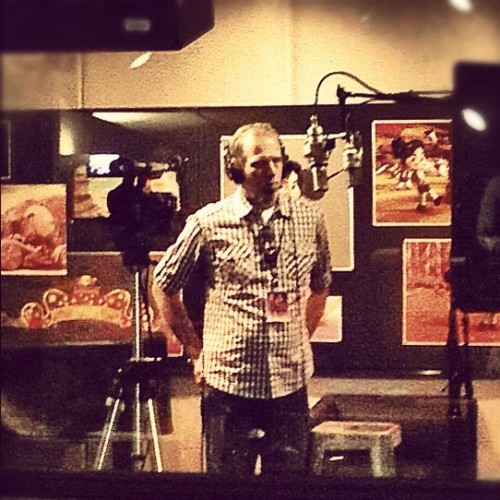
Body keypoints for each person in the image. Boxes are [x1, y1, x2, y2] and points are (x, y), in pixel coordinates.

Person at [152, 122, 331, 476]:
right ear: (236, 169)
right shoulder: (208, 223)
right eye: (259, 163)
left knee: (290, 488)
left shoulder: (310, 219)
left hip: (290, 384)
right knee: (227, 489)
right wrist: (195, 350)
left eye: (277, 161)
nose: (272, 171)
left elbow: (321, 285)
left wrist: (299, 337)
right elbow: (164, 285)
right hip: (229, 385)